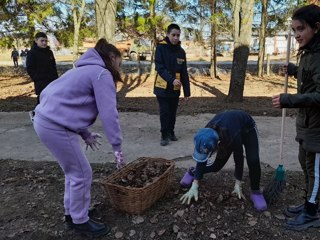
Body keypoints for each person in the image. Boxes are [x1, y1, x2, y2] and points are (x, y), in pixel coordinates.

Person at [32, 38, 125, 238]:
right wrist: (117, 147)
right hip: (55, 126)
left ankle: (72, 214)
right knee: (82, 173)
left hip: (46, 120)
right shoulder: (101, 73)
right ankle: (80, 222)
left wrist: (85, 133)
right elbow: (109, 113)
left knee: (73, 172)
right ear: (111, 57)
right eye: (120, 61)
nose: (120, 66)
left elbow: (70, 104)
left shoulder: (82, 69)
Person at [272, 4, 320, 231]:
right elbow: (310, 77)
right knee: (306, 164)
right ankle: (308, 203)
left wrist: (288, 100)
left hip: (318, 126)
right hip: (307, 122)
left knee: (316, 170)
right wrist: (293, 69)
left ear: (316, 27)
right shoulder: (309, 52)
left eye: (300, 29)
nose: (297, 34)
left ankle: (312, 212)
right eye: (294, 30)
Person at [179, 110, 267, 212]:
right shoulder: (205, 134)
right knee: (216, 166)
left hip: (248, 129)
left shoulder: (232, 137)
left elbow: (238, 157)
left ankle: (255, 192)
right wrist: (195, 185)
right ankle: (193, 172)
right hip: (226, 131)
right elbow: (202, 159)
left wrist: (238, 184)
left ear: (218, 144)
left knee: (253, 160)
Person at [154, 23, 191, 146]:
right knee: (165, 112)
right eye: (173, 35)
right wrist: (171, 79)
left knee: (172, 112)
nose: (176, 38)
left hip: (175, 88)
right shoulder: (160, 48)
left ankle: (171, 131)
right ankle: (164, 135)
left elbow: (184, 72)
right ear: (167, 34)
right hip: (162, 87)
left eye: (178, 35)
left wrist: (187, 92)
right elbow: (160, 68)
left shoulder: (181, 52)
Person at [26, 32, 58, 113]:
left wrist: (56, 80)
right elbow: (30, 68)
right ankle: (35, 114)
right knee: (42, 100)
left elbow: (53, 67)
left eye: (46, 41)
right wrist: (37, 78)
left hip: (52, 81)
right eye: (42, 41)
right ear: (36, 41)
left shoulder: (49, 52)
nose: (44, 43)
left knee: (52, 100)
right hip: (41, 82)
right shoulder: (32, 53)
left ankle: (49, 117)